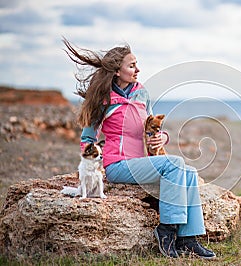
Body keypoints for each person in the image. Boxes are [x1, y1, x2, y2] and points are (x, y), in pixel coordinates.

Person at [62, 38, 216, 259]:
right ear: (117, 70)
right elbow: (87, 138)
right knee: (176, 163)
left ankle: (188, 239)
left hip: (144, 164)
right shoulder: (102, 100)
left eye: (136, 64)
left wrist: (161, 138)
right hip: (118, 165)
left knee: (188, 172)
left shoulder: (142, 93)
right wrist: (90, 168)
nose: (138, 69)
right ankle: (167, 229)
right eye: (132, 65)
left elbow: (154, 124)